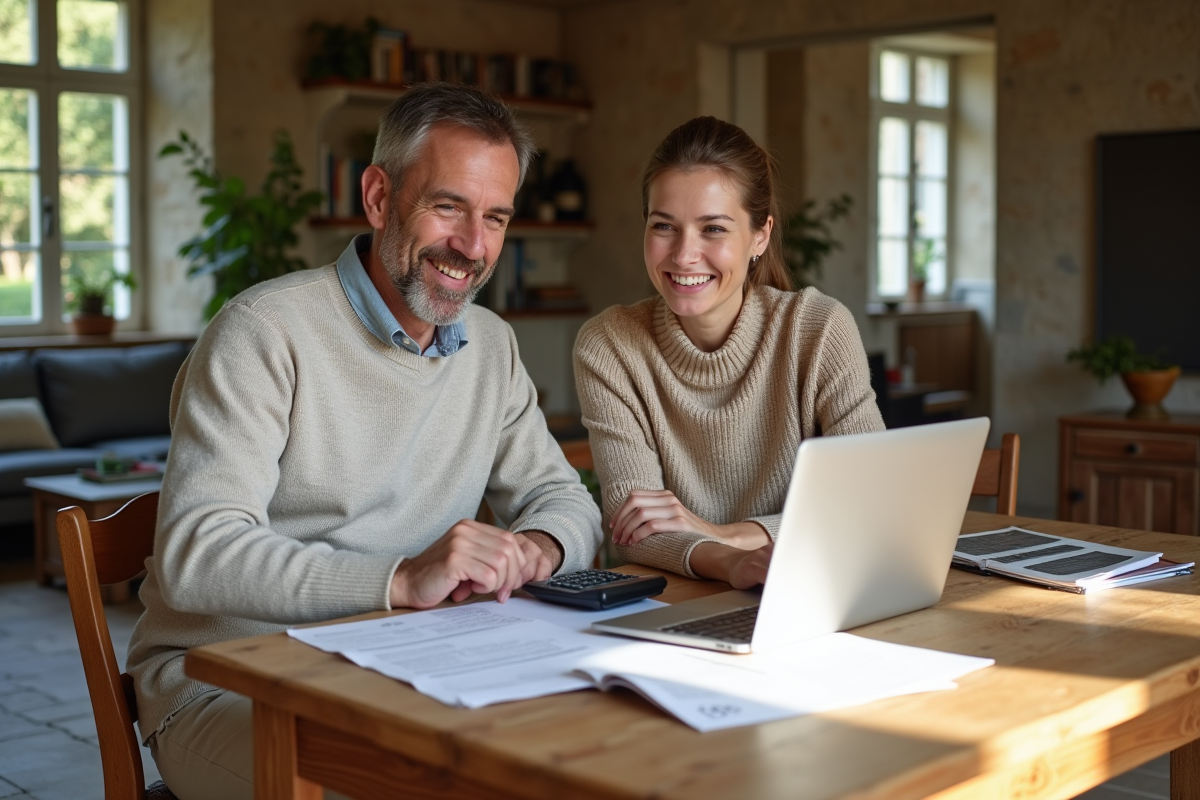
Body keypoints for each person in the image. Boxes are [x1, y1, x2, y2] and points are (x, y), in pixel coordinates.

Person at [127, 84, 603, 799]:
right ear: (379, 198)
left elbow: (565, 499)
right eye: (448, 206)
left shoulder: (492, 348)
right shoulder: (263, 332)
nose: (473, 247)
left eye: (495, 217)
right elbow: (200, 554)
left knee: (569, 759)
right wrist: (401, 579)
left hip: (403, 663)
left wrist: (540, 547)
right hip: (225, 679)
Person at [573, 116, 883, 590]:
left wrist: (721, 534)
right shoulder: (610, 345)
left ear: (760, 236)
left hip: (812, 592)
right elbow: (632, 532)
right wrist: (733, 561)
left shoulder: (818, 329)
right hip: (676, 605)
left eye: (713, 229)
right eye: (664, 227)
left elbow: (869, 500)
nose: (683, 255)